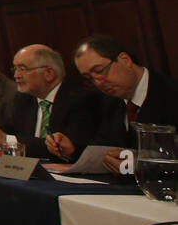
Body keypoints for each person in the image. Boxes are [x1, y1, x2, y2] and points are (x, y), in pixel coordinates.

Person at [0, 44, 100, 160]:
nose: (16, 75)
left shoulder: (80, 100)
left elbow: (67, 148)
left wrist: (6, 140)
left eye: (22, 69)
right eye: (14, 69)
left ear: (49, 73)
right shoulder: (24, 99)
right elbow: (6, 132)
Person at [74, 34, 178, 174]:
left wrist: (144, 165)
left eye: (99, 71)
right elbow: (104, 146)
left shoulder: (170, 93)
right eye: (89, 78)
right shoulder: (109, 101)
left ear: (125, 60)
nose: (98, 83)